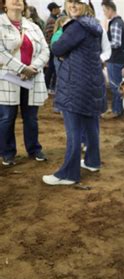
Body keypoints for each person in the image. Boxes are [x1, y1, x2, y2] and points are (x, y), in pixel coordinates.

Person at [42, 0, 106, 185]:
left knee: (73, 130)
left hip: (75, 84)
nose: (73, 6)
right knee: (91, 125)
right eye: (70, 2)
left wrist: (62, 32)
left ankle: (69, 174)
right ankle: (92, 161)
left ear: (85, 5)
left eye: (78, 2)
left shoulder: (77, 26)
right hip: (91, 83)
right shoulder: (93, 24)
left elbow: (57, 48)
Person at [0, 0, 49, 166]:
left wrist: (33, 67)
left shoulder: (33, 26)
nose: (17, 1)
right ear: (4, 4)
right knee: (7, 117)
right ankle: (7, 152)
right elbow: (1, 52)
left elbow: (45, 50)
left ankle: (34, 149)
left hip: (31, 77)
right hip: (7, 78)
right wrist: (22, 68)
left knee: (31, 117)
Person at [102, 0, 124, 117]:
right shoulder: (121, 22)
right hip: (119, 58)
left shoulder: (115, 23)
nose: (104, 13)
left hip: (115, 58)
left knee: (115, 86)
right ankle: (118, 109)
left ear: (109, 9)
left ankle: (116, 110)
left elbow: (116, 43)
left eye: (104, 10)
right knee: (117, 85)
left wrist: (104, 44)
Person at [44, 2, 62, 92]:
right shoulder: (52, 20)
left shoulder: (54, 18)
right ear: (54, 10)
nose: (59, 9)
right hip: (51, 47)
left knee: (52, 67)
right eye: (58, 8)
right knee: (51, 67)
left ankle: (49, 86)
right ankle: (48, 86)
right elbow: (50, 35)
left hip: (51, 47)